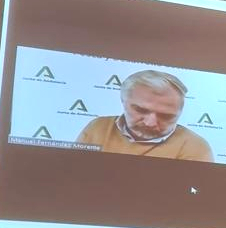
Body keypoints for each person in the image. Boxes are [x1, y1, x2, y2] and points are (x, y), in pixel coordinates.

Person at [76, 69, 213, 162]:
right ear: (123, 101)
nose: (150, 123)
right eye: (140, 110)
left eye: (166, 116)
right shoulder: (98, 127)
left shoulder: (195, 147)